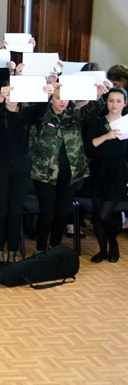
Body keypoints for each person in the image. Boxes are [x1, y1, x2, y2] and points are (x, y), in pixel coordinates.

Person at [28, 81, 108, 252]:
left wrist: (98, 95)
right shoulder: (42, 115)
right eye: (58, 98)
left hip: (70, 172)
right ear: (51, 99)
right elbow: (30, 113)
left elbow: (92, 110)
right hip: (44, 171)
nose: (62, 102)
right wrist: (44, 96)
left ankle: (55, 247)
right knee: (47, 212)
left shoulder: (74, 114)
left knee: (63, 211)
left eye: (65, 98)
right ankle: (41, 250)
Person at [0, 85, 47, 267]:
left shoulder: (26, 114)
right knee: (0, 211)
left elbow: (41, 107)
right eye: (8, 95)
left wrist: (45, 91)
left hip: (21, 168)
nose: (11, 98)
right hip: (0, 168)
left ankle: (12, 252)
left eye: (14, 94)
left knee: (15, 211)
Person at [82, 86, 128, 263]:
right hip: (98, 170)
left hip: (118, 172)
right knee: (98, 215)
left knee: (103, 215)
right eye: (111, 101)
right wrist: (106, 136)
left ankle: (113, 243)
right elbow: (88, 146)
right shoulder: (98, 122)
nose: (114, 104)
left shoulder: (126, 124)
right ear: (106, 102)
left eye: (118, 101)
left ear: (125, 103)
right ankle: (102, 250)